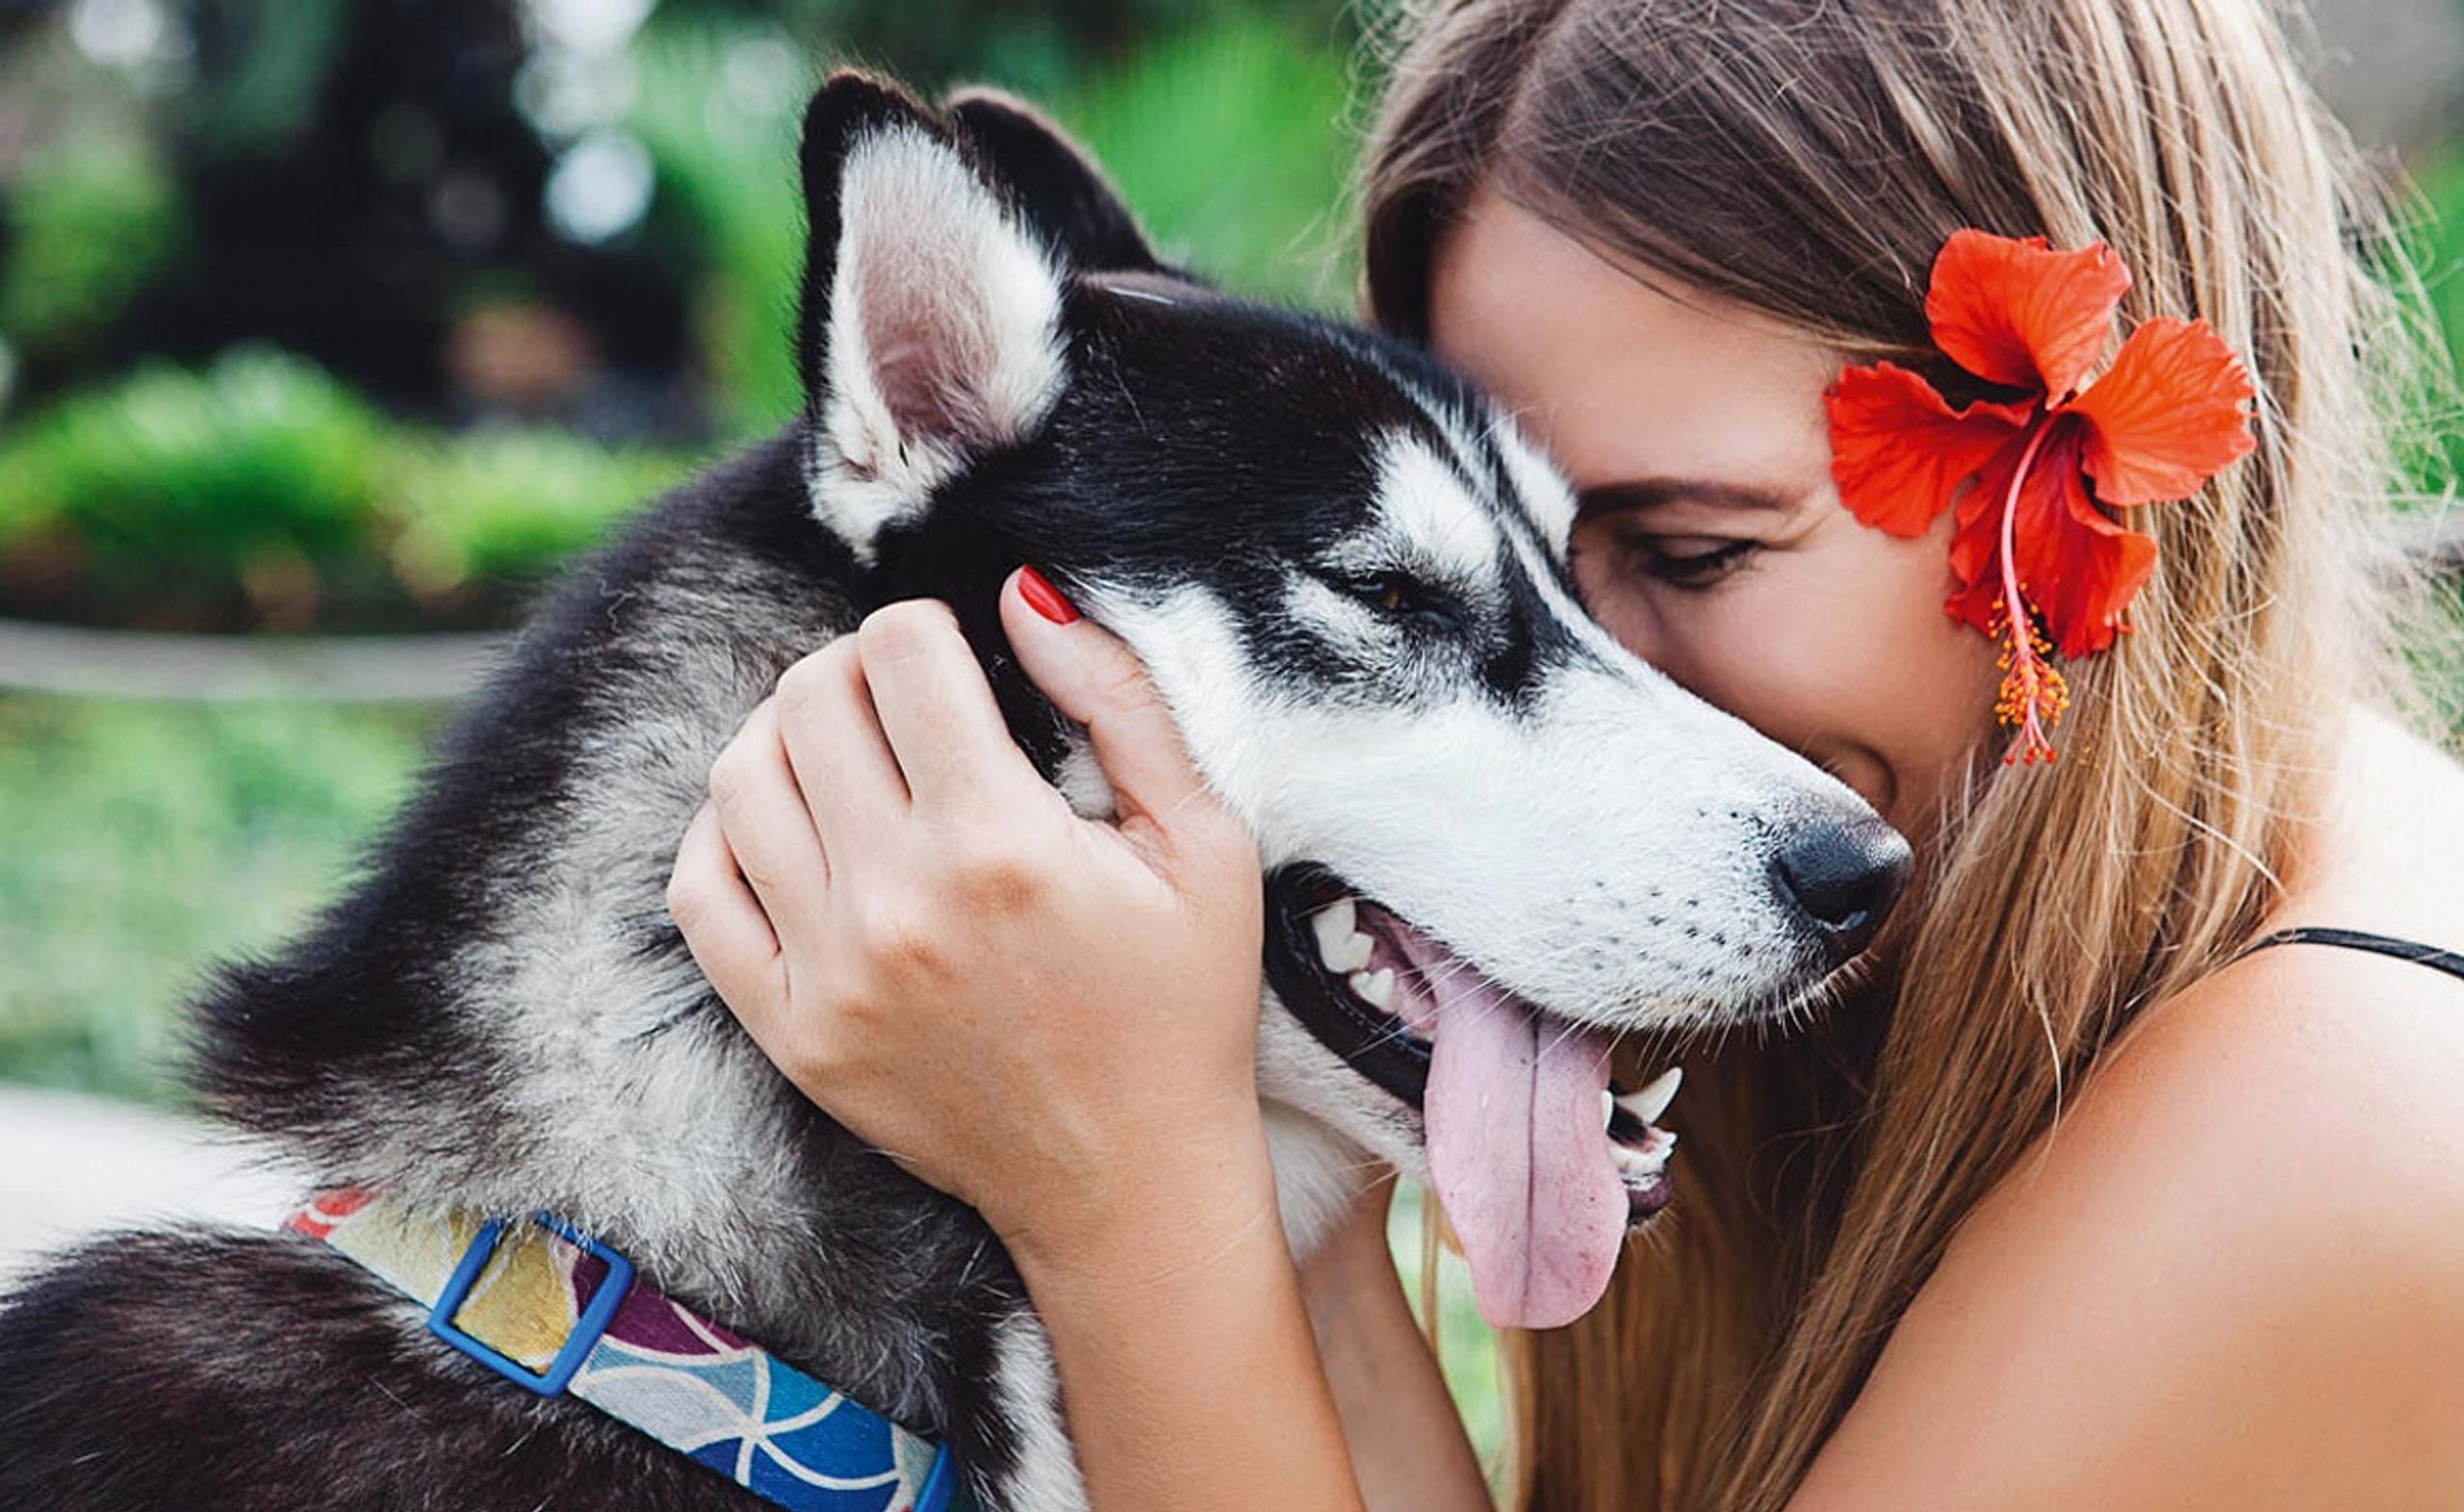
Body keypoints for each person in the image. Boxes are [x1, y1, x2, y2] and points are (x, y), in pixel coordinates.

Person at [662, 1, 2464, 1506]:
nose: (1622, 715)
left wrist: (1126, 1200)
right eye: (1517, 568)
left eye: (1691, 554)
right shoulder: (2072, 975)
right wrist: (1249, 1076)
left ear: (2082, 485)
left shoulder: (2347, 1117)